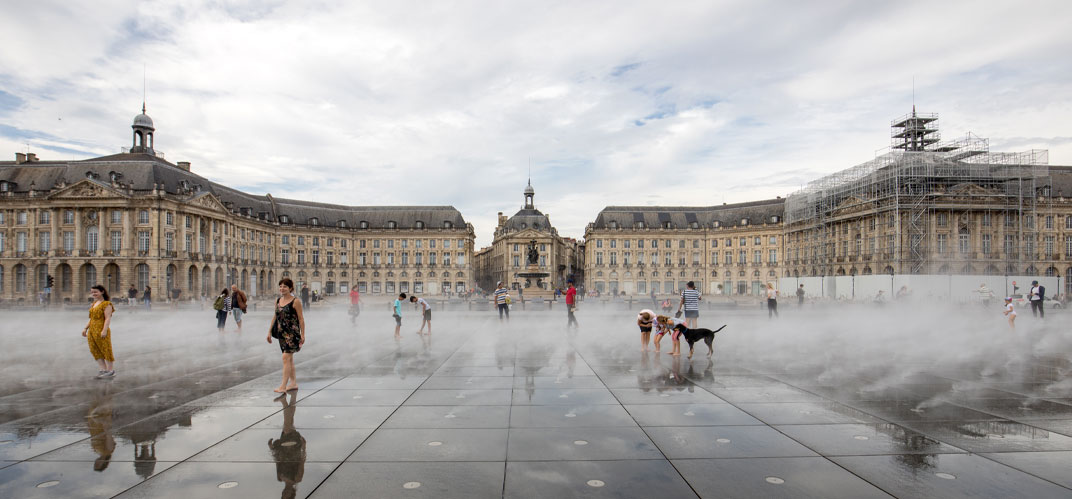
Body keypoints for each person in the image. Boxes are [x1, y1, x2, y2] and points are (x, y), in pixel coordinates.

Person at [267, 278, 305, 393]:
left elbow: (301, 319)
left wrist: (303, 334)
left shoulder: (295, 301)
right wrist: (269, 331)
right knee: (289, 359)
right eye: (280, 286)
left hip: (292, 334)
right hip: (282, 334)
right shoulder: (278, 300)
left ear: (290, 288)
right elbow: (275, 316)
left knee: (285, 358)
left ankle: (283, 386)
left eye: (285, 286)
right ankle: (293, 383)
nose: (282, 288)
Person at [82, 285, 116, 378]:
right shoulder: (94, 304)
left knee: (106, 349)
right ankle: (103, 369)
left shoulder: (107, 304)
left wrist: (104, 330)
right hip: (92, 330)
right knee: (95, 350)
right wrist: (85, 328)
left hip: (101, 329)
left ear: (102, 292)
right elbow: (92, 319)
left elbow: (108, 318)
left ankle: (110, 370)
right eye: (92, 292)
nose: (93, 294)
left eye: (95, 292)